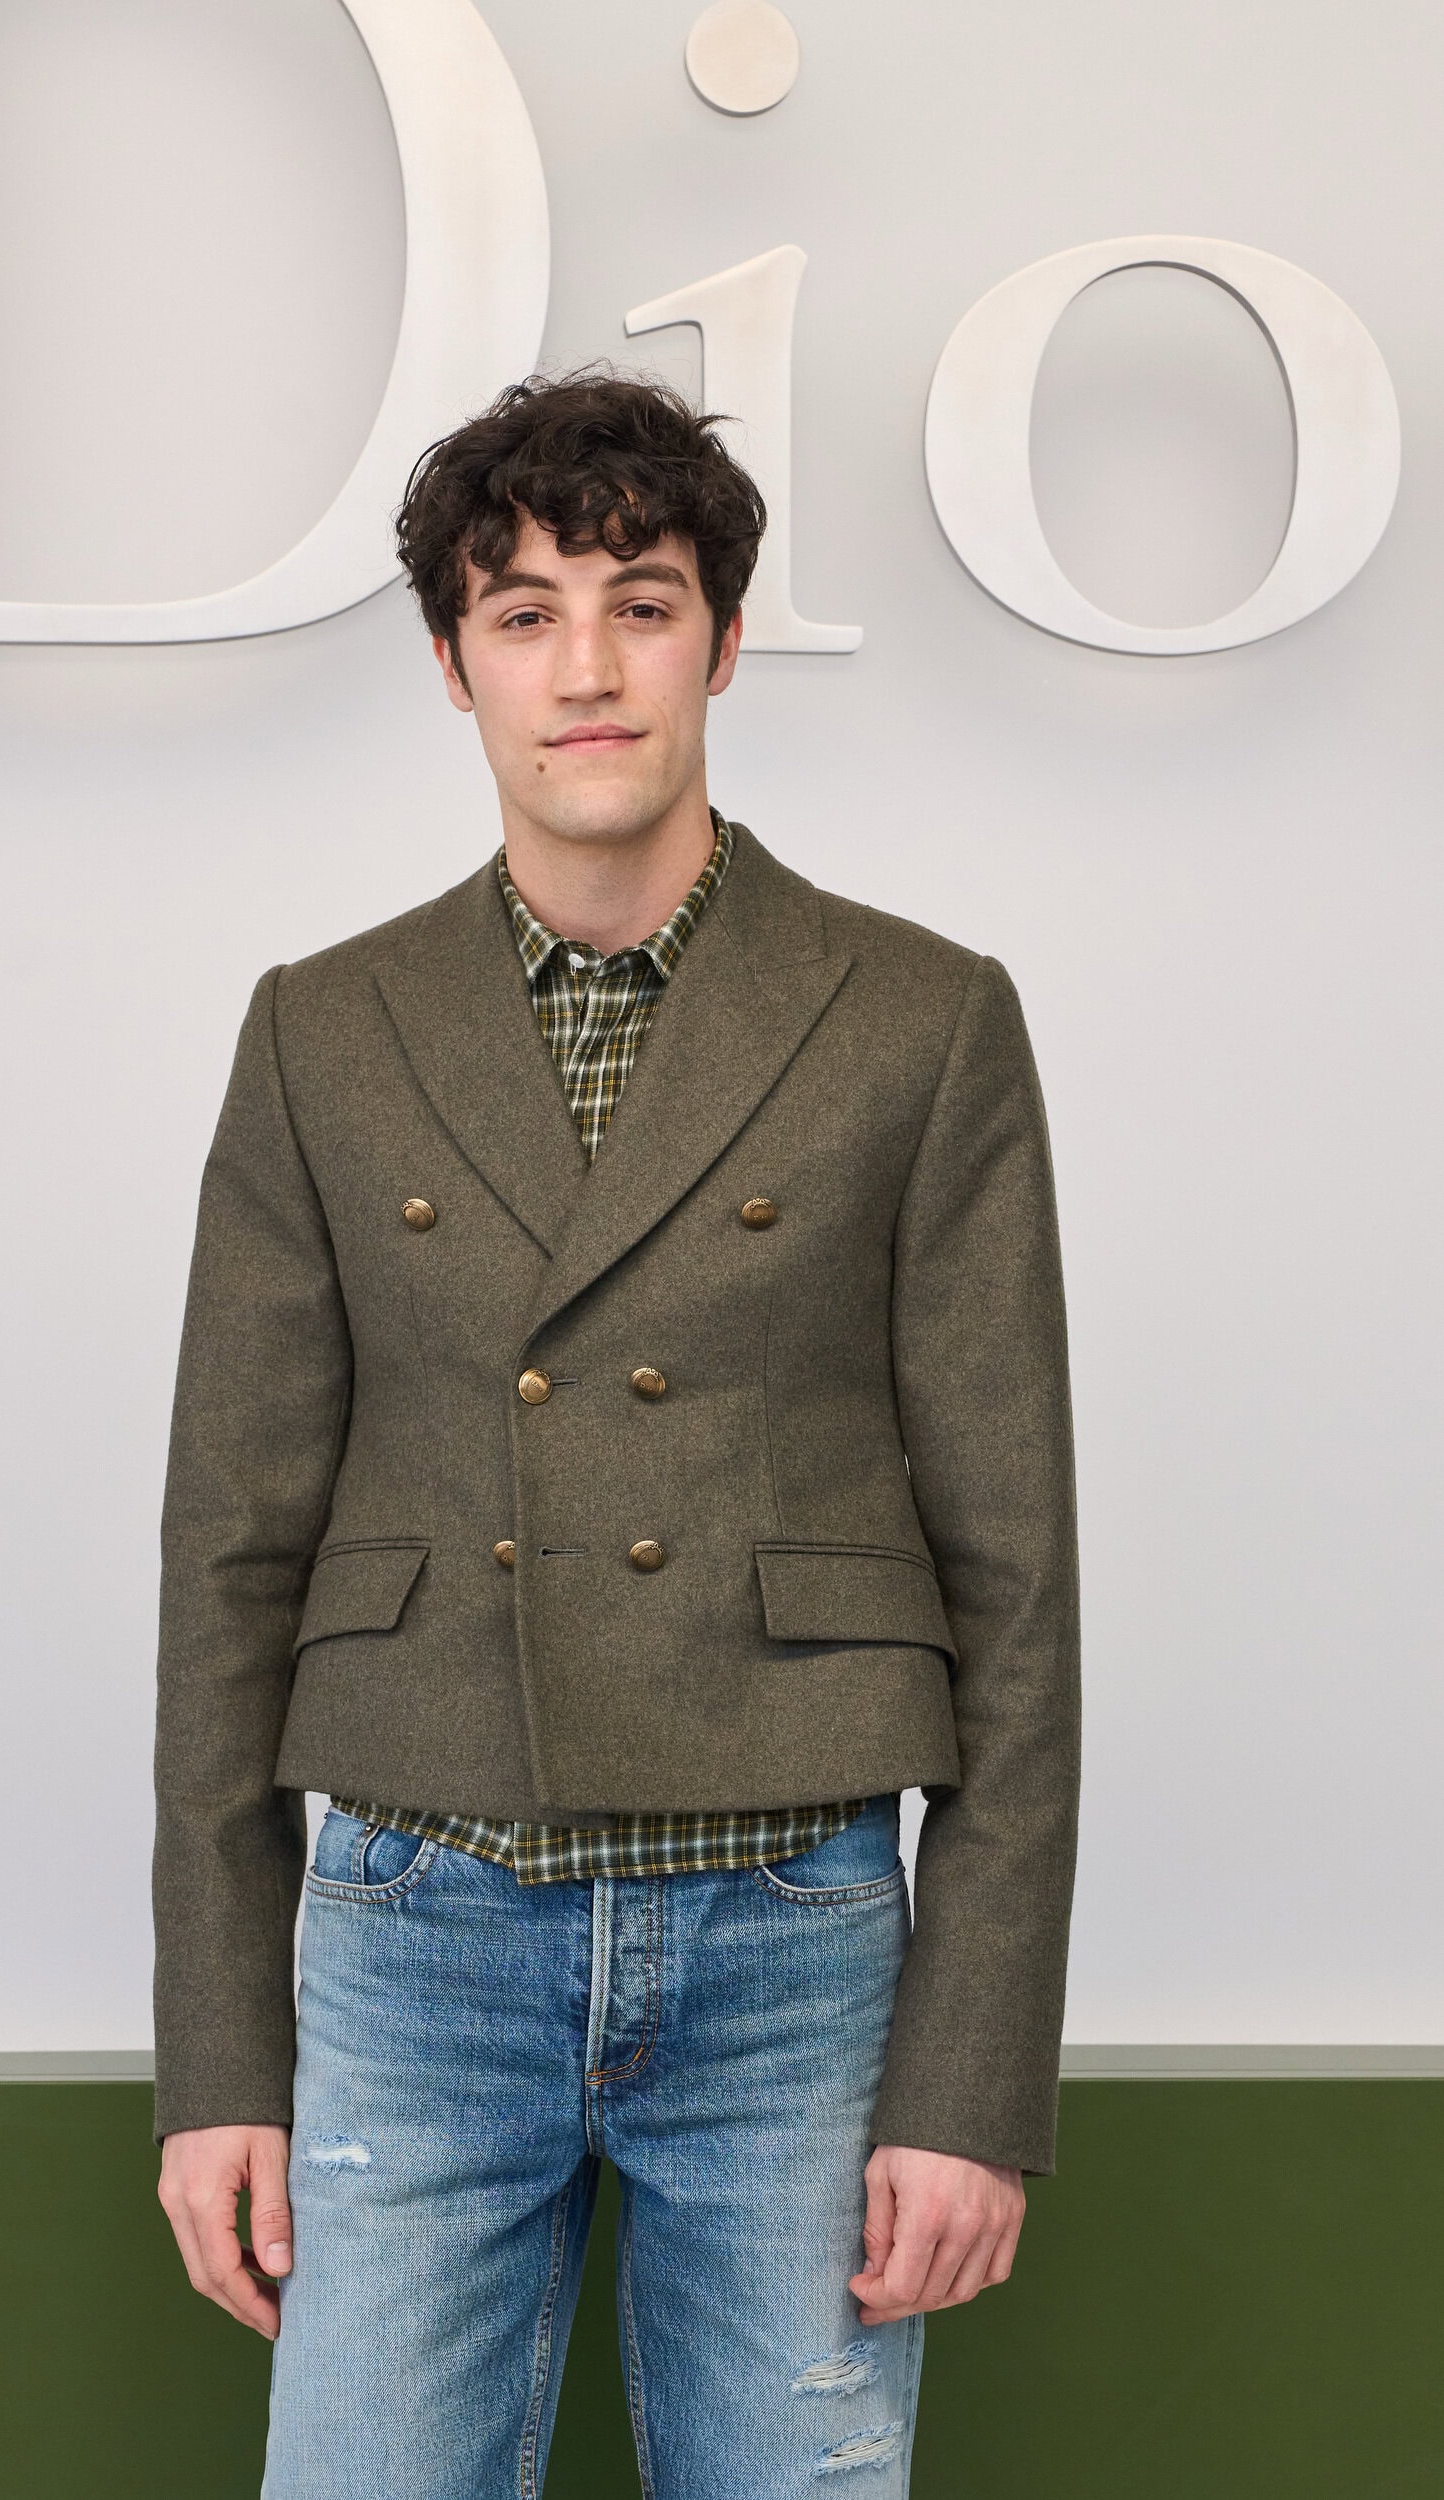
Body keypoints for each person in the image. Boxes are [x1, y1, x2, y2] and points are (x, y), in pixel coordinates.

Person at [152, 372, 1080, 2499]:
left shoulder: (920, 1017)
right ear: (452, 662)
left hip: (795, 1930)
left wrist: (969, 2079)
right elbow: (230, 1557)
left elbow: (1015, 1577)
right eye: (523, 613)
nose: (583, 668)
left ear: (721, 643)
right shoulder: (322, 1026)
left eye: (639, 603)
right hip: (411, 1921)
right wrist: (217, 2050)